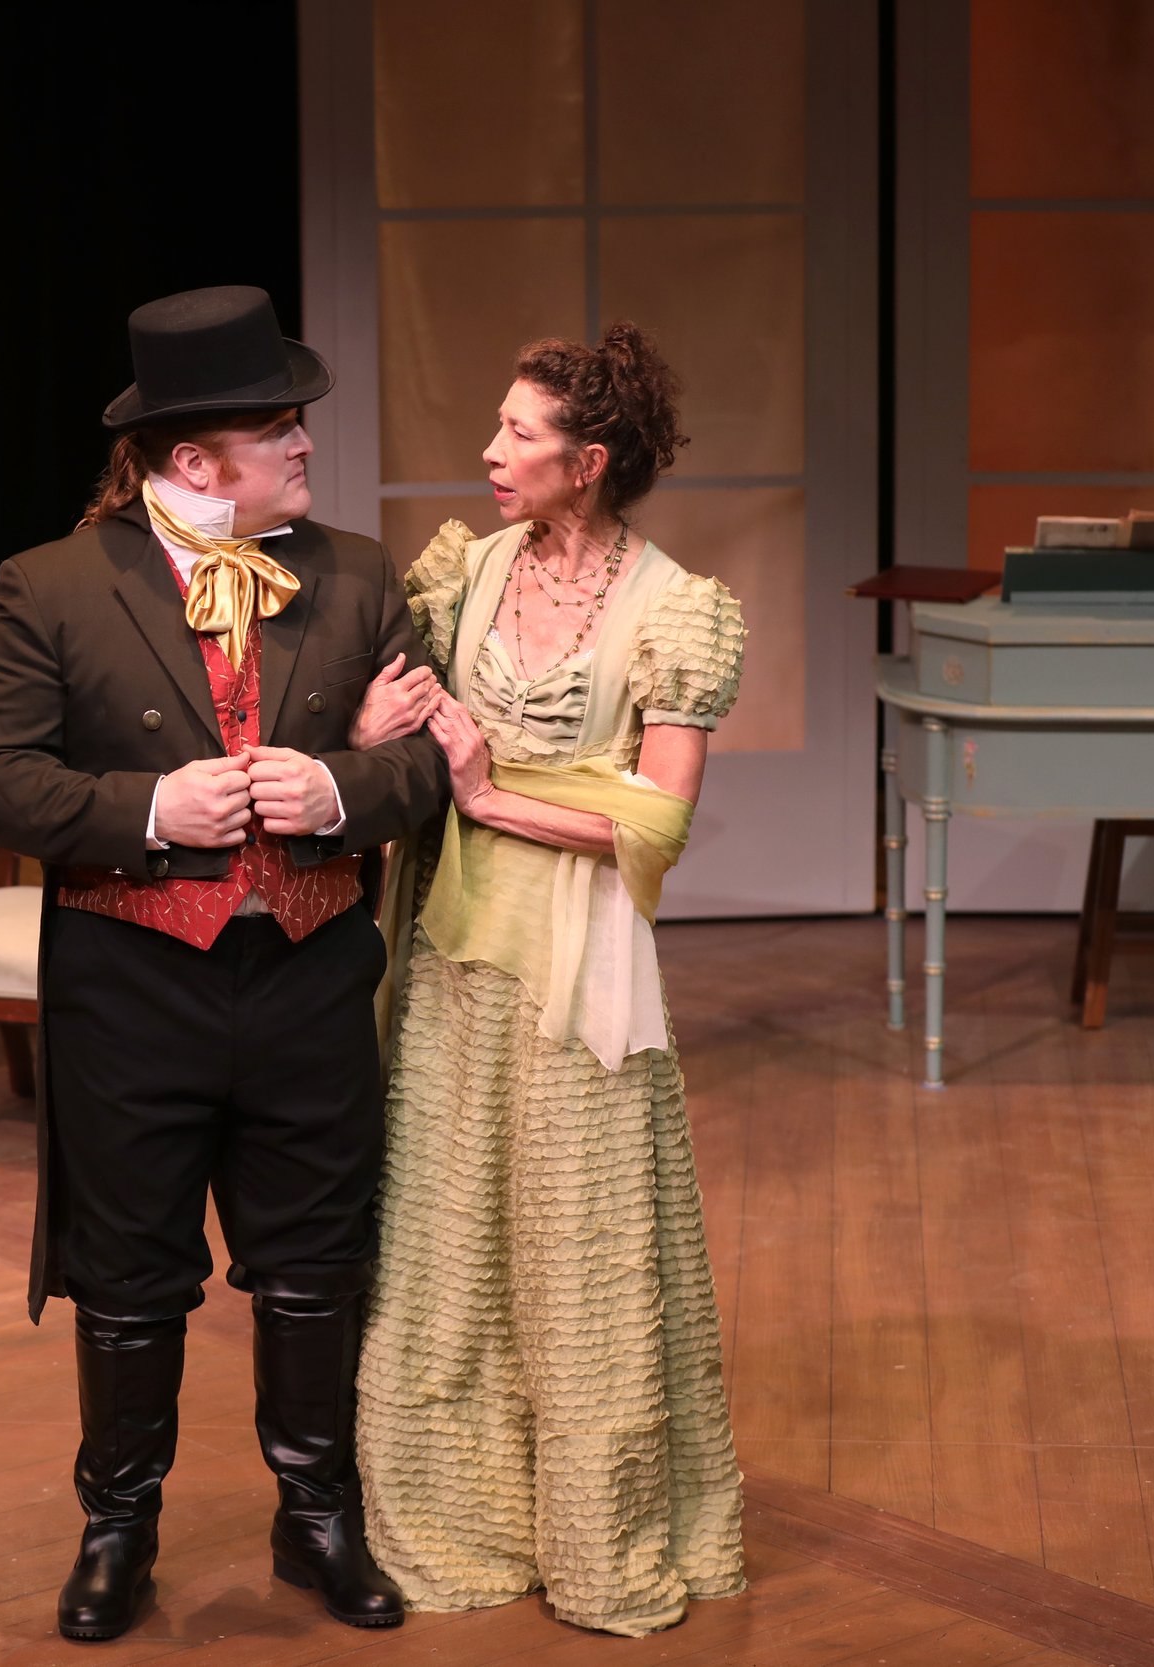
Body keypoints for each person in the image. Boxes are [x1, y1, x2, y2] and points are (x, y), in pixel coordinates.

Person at [0, 286, 451, 1641]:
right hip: (135, 986)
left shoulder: (355, 571)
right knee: (130, 1277)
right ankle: (118, 1525)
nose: (303, 447)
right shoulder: (55, 581)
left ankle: (318, 1514)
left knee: (312, 1266)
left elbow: (426, 766)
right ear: (189, 461)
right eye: (277, 428)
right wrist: (150, 810)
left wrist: (337, 786)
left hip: (307, 975)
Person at [348, 325, 748, 1635]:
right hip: (449, 946)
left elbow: (658, 822)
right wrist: (380, 738)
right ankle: (454, 1519)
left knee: (577, 1246)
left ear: (591, 461)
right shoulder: (460, 571)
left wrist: (485, 793)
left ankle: (599, 1534)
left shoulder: (675, 604)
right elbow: (384, 707)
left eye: (518, 433)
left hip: (576, 964)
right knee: (446, 1239)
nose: (490, 451)